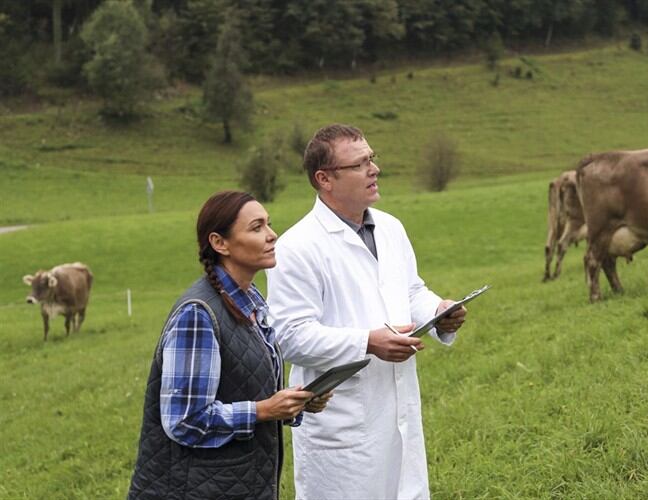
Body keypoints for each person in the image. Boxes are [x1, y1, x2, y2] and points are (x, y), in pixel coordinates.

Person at [267, 124, 468, 499]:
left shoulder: (391, 228)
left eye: (372, 159)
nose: (374, 169)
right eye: (360, 164)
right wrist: (368, 343)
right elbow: (290, 335)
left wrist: (438, 310)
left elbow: (410, 290)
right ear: (324, 179)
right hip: (342, 423)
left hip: (397, 411)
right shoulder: (297, 247)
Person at [128, 191, 332, 500]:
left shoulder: (251, 302)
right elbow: (185, 420)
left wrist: (293, 404)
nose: (272, 235)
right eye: (257, 227)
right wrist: (263, 410)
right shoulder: (198, 314)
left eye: (269, 224)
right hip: (192, 489)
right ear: (219, 243)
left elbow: (243, 388)